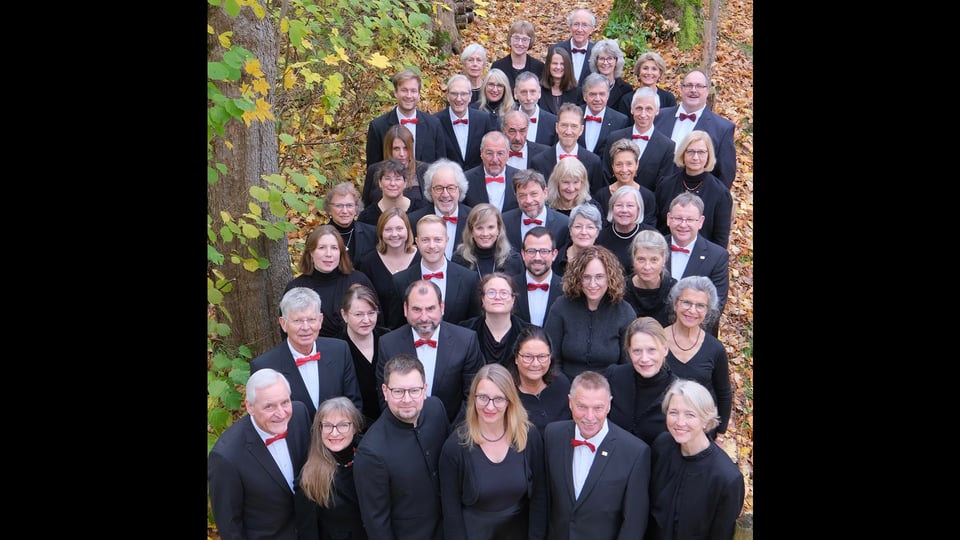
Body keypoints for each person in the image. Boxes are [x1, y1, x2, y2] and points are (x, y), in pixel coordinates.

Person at [439, 363, 548, 540]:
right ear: (473, 398)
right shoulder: (455, 447)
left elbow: (540, 498)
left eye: (498, 399)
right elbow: (451, 515)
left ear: (510, 400)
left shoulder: (529, 437)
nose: (490, 407)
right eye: (483, 397)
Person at [542, 370, 650, 539]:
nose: (589, 416)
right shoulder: (552, 435)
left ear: (609, 405)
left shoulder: (635, 452)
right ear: (570, 402)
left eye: (598, 408)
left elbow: (633, 523)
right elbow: (544, 500)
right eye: (582, 407)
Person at [209, 369, 315, 540]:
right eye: (269, 406)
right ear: (250, 407)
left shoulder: (300, 415)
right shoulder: (226, 457)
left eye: (285, 402)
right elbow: (230, 527)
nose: (281, 413)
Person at [354, 354, 451, 540]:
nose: (407, 399)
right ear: (385, 391)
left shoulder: (436, 409)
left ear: (424, 389)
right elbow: (377, 524)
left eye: (414, 390)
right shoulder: (371, 452)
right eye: (398, 391)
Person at [376, 280, 485, 424]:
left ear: (442, 307)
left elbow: (472, 397)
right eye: (416, 309)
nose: (424, 317)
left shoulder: (466, 341)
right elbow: (385, 397)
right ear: (405, 309)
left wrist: (451, 435)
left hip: (453, 433)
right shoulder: (388, 344)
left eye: (430, 308)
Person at [648, 379, 744, 539]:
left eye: (690, 414)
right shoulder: (661, 446)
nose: (679, 422)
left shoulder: (727, 478)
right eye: (673, 412)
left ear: (706, 419)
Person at [253, 287, 364, 422]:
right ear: (283, 324)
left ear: (320, 320)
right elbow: (265, 419)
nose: (306, 327)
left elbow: (353, 404)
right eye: (298, 321)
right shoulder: (264, 366)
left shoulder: (340, 350)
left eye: (311, 319)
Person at [543, 245, 636, 379]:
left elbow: (627, 366)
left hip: (610, 391)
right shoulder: (561, 307)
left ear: (610, 278)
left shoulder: (624, 312)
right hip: (566, 388)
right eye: (586, 277)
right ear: (577, 278)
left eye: (599, 277)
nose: (592, 284)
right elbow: (551, 358)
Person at [663, 276, 732, 439]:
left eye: (700, 305)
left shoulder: (715, 349)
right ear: (675, 304)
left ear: (708, 310)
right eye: (686, 302)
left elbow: (724, 393)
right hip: (663, 430)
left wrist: (720, 435)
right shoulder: (658, 340)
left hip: (701, 433)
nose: (692, 310)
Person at [283, 224, 376, 339]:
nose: (328, 254)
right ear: (311, 252)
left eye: (334, 248)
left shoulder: (359, 280)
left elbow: (376, 323)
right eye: (322, 248)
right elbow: (288, 334)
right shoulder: (296, 288)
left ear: (341, 252)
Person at [390, 213, 482, 328]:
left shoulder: (469, 279)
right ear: (417, 242)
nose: (432, 245)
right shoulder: (400, 281)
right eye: (425, 240)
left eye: (437, 239)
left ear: (446, 240)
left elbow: (474, 325)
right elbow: (396, 328)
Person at [297, 397, 367, 540]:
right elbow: (307, 533)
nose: (334, 433)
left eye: (343, 425)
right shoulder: (310, 477)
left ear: (354, 427)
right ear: (319, 429)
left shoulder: (370, 459)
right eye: (328, 426)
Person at [654, 69, 737, 190]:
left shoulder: (722, 128)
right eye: (688, 85)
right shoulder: (658, 117)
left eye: (699, 86)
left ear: (707, 91)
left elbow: (725, 174)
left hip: (697, 198)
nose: (693, 90)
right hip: (656, 194)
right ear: (681, 89)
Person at [663, 192, 729, 337]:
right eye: (678, 218)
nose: (683, 225)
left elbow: (717, 304)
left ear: (700, 222)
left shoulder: (717, 256)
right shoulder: (655, 248)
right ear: (668, 219)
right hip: (658, 333)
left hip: (697, 336)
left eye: (690, 220)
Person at [605, 316, 677, 445]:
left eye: (651, 350)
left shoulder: (677, 392)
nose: (644, 358)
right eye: (637, 351)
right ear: (629, 352)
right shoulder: (614, 377)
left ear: (665, 349)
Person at [654, 130, 732, 248]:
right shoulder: (665, 185)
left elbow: (720, 239)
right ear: (683, 153)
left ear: (709, 155)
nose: (695, 157)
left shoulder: (720, 193)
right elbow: (656, 224)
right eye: (690, 151)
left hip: (702, 258)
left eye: (701, 152)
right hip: (664, 253)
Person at [600, 87, 676, 191]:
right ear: (632, 109)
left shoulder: (667, 146)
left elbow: (663, 186)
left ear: (657, 111)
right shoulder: (614, 138)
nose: (643, 114)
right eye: (639, 108)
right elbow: (605, 175)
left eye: (649, 109)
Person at [336, 284, 390, 428]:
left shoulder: (389, 339)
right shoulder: (336, 350)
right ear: (344, 315)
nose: (366, 320)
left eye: (371, 313)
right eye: (359, 314)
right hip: (357, 429)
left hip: (392, 422)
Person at [365, 69, 444, 166]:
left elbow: (441, 166)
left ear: (419, 94)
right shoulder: (378, 127)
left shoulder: (434, 124)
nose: (409, 95)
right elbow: (373, 170)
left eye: (413, 91)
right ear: (395, 92)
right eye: (404, 90)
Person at [355, 207, 420, 316]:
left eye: (399, 228)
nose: (394, 234)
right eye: (388, 229)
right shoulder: (368, 263)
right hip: (381, 330)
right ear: (380, 232)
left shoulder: (422, 258)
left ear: (408, 230)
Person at [458, 272, 532, 366]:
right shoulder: (464, 331)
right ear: (483, 299)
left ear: (513, 299)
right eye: (491, 293)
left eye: (504, 293)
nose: (497, 297)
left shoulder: (529, 333)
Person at [507, 325, 572, 433]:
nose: (535, 364)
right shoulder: (506, 391)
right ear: (516, 358)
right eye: (528, 357)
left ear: (550, 358)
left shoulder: (562, 384)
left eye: (542, 357)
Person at [529, 102, 604, 194]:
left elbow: (595, 196)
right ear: (556, 127)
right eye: (564, 125)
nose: (568, 131)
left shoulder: (594, 161)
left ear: (581, 130)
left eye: (574, 126)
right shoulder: (538, 161)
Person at [407, 158, 473, 260]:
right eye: (439, 188)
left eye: (451, 188)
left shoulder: (474, 219)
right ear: (430, 191)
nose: (445, 194)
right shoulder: (413, 221)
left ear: (460, 189)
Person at [435, 74, 498, 171]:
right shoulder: (435, 121)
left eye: (463, 94)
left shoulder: (484, 119)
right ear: (447, 96)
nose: (459, 99)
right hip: (448, 180)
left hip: (477, 179)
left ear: (470, 96)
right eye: (454, 93)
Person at [592, 139, 658, 228]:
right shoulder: (601, 196)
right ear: (612, 166)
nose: (624, 169)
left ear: (637, 165)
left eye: (629, 164)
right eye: (619, 164)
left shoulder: (648, 197)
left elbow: (649, 229)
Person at [501, 168, 570, 252]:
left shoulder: (563, 224)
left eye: (534, 194)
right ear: (516, 197)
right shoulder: (504, 222)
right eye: (522, 195)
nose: (528, 200)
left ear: (545, 193)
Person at [595, 185, 658, 275]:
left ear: (638, 209)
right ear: (612, 208)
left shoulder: (652, 236)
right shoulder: (600, 238)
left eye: (630, 205)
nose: (624, 210)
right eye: (619, 205)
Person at [362, 124, 428, 206]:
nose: (402, 154)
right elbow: (365, 205)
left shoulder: (425, 170)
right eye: (396, 149)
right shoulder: (375, 170)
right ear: (389, 149)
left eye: (405, 148)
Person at [452, 203, 524, 278]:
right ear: (471, 231)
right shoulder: (459, 259)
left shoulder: (513, 259)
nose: (485, 233)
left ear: (499, 229)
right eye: (479, 228)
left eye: (490, 227)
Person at [511, 226, 563, 327]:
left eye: (544, 251)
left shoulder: (567, 289)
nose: (537, 257)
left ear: (554, 254)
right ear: (523, 254)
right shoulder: (509, 287)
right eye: (531, 251)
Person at [624, 230, 677, 327]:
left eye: (654, 260)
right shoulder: (621, 290)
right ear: (633, 258)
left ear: (664, 259)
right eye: (641, 259)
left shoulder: (675, 291)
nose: (647, 267)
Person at [463, 130, 520, 213]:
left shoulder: (519, 178)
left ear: (508, 154)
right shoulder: (466, 179)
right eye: (489, 153)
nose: (495, 159)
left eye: (500, 153)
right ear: (481, 153)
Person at [357, 158, 426, 226]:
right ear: (380, 183)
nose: (392, 183)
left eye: (397, 179)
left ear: (405, 183)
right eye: (387, 179)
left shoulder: (421, 210)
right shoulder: (367, 217)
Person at [325, 182, 378, 266]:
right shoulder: (317, 236)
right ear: (329, 209)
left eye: (349, 205)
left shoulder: (372, 234)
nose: (345, 211)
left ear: (356, 208)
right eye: (339, 206)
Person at [578, 72, 630, 156]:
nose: (597, 99)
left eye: (602, 94)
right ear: (584, 96)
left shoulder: (620, 121)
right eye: (592, 94)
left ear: (608, 96)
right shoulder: (573, 115)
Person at [614, 50, 677, 116]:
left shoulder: (668, 99)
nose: (649, 73)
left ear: (660, 73)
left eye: (654, 69)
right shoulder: (626, 100)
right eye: (645, 68)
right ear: (638, 72)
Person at [547, 8, 597, 88]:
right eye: (576, 24)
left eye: (584, 25)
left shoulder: (597, 52)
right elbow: (547, 80)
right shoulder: (555, 50)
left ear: (592, 29)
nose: (580, 29)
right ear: (570, 27)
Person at [544, 151, 604, 217]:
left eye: (575, 182)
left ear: (582, 183)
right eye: (566, 182)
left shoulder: (593, 207)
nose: (571, 188)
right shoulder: (545, 207)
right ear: (556, 182)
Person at [552, 202, 602, 278]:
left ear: (597, 232)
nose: (584, 232)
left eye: (590, 227)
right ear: (570, 230)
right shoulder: (554, 258)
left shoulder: (605, 261)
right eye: (578, 227)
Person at [490, 20, 545, 89]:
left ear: (530, 42)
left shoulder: (539, 67)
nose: (520, 43)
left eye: (524, 39)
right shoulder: (498, 67)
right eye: (516, 38)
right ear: (510, 39)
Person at [588, 39, 634, 118]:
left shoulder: (626, 90)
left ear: (616, 61)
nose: (605, 63)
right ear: (596, 61)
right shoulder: (588, 86)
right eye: (602, 59)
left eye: (609, 58)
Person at [513, 71, 557, 146]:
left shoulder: (553, 122)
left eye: (532, 92)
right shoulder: (504, 121)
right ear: (516, 94)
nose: (528, 98)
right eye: (523, 92)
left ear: (539, 93)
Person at [538, 46, 580, 116]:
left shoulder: (578, 93)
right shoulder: (538, 90)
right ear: (548, 65)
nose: (558, 67)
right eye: (555, 63)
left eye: (562, 64)